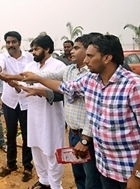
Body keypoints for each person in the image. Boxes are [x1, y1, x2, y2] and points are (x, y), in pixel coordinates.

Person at [21, 34, 140, 189]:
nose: (85, 60)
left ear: (107, 58)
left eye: (90, 56)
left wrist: (137, 175)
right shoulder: (91, 80)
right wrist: (38, 79)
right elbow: (65, 87)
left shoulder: (133, 86)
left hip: (129, 171)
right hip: (105, 168)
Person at [23, 34, 102, 189]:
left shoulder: (90, 75)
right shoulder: (69, 70)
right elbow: (37, 77)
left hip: (85, 135)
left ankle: (54, 184)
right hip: (73, 133)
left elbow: (65, 92)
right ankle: (44, 180)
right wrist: (10, 77)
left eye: (76, 48)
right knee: (79, 175)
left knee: (91, 178)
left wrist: (85, 139)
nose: (71, 51)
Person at [0, 35, 66, 189]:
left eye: (36, 49)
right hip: (33, 115)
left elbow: (62, 93)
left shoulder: (58, 66)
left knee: (51, 150)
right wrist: (13, 83)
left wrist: (38, 91)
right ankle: (44, 181)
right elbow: (23, 85)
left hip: (51, 117)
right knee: (36, 146)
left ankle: (55, 185)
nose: (33, 52)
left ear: (47, 49)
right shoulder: (30, 66)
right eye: (33, 49)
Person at [0, 31, 34, 182]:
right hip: (10, 102)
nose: (10, 45)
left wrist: (18, 85)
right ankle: (11, 164)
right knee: (11, 134)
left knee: (28, 135)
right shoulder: (3, 56)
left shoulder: (29, 57)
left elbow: (31, 76)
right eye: (8, 42)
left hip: (27, 101)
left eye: (13, 42)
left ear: (19, 43)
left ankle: (28, 166)